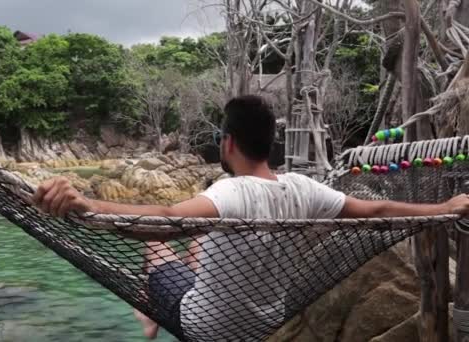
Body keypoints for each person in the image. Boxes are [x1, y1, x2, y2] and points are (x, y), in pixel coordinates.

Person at [33, 95, 469, 341]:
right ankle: (159, 305)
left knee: (158, 245)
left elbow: (164, 219)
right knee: (201, 238)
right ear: (269, 143)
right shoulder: (303, 188)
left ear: (227, 144)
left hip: (206, 327)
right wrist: (443, 208)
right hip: (264, 320)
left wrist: (88, 205)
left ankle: (150, 314)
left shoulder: (230, 192)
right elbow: (376, 210)